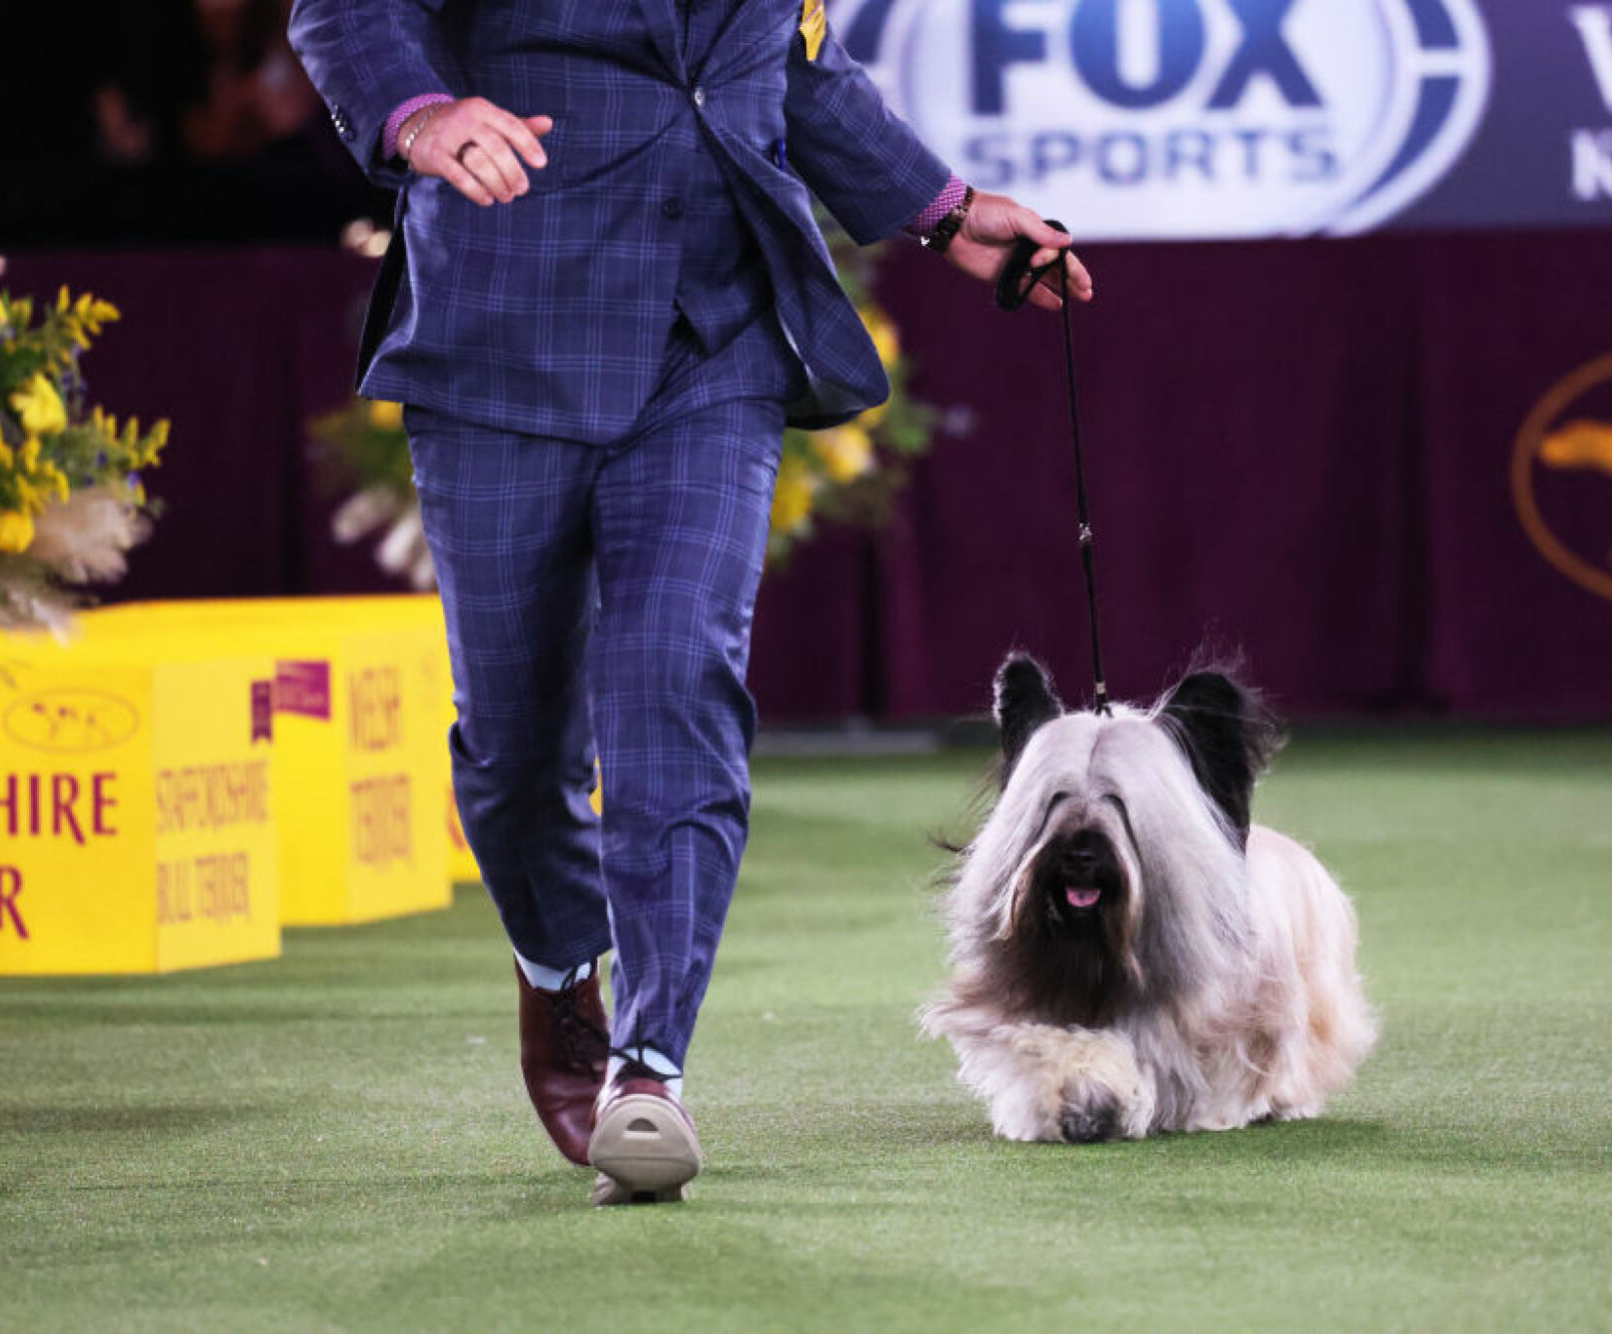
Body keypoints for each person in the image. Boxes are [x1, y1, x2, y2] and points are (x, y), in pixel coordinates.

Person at [287, 0, 1091, 1204]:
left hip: (715, 335)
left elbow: (790, 58)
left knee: (676, 673)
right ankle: (559, 965)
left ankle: (648, 1064)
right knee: (512, 743)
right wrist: (419, 112)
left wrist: (946, 212)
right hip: (507, 314)